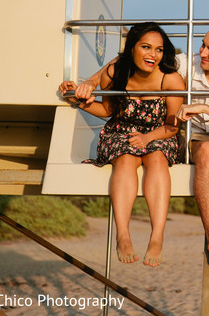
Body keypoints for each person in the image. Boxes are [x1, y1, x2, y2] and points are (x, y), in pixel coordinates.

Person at [75, 23, 209, 284]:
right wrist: (93, 81)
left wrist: (206, 109)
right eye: (203, 44)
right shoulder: (188, 63)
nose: (202, 52)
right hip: (202, 139)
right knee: (205, 152)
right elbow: (134, 56)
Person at [59, 22, 185, 267]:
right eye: (146, 47)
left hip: (159, 133)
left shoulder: (170, 80)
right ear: (132, 48)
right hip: (120, 131)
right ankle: (123, 234)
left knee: (157, 158)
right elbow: (107, 110)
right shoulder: (114, 73)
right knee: (126, 159)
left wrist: (148, 138)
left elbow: (173, 126)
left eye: (159, 49)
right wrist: (77, 99)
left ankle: (157, 237)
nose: (153, 55)